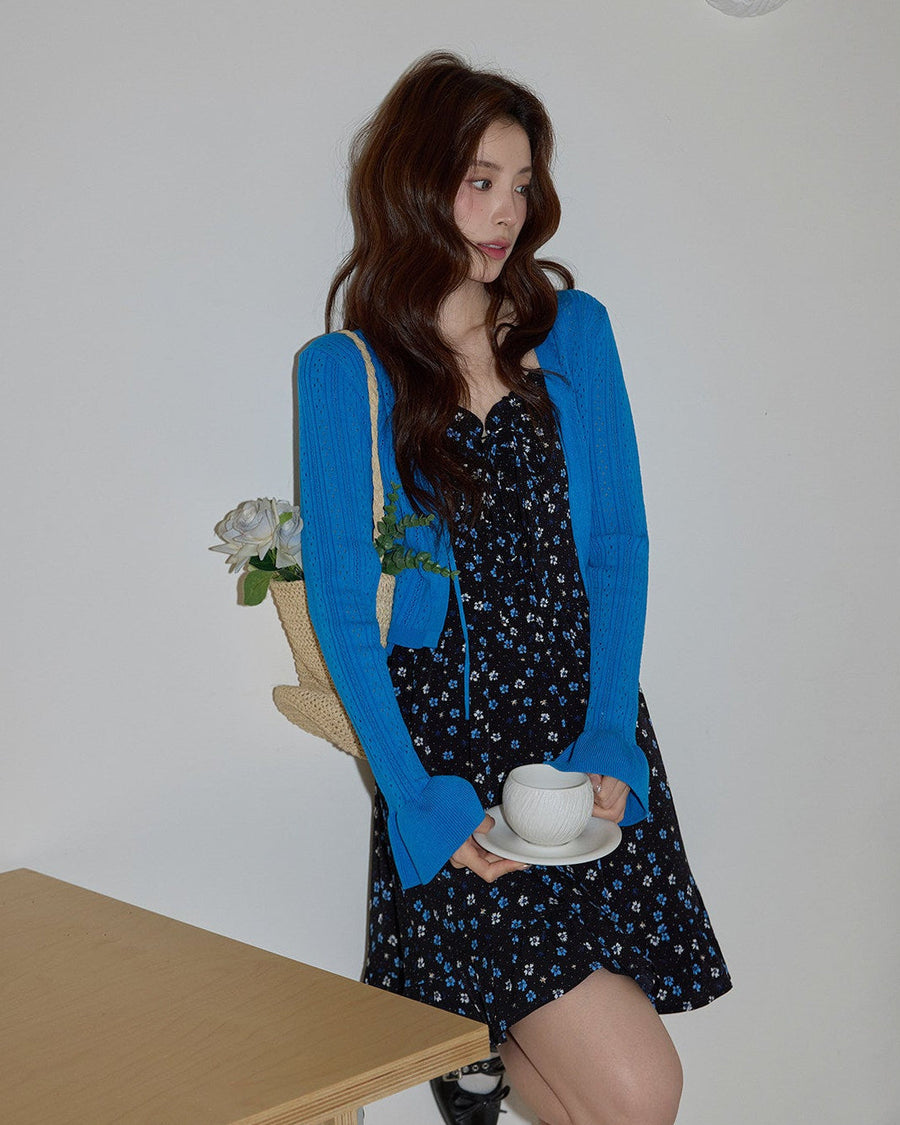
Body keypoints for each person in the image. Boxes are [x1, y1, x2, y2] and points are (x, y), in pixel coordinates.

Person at [296, 52, 731, 1125]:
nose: (504, 212)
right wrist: (422, 806)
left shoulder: (571, 335)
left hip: (582, 750)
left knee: (600, 1095)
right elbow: (351, 615)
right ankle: (476, 1042)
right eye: (479, 179)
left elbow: (617, 548)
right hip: (454, 767)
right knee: (639, 1090)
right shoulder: (347, 371)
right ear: (414, 181)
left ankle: (479, 1049)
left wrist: (610, 738)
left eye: (522, 182)